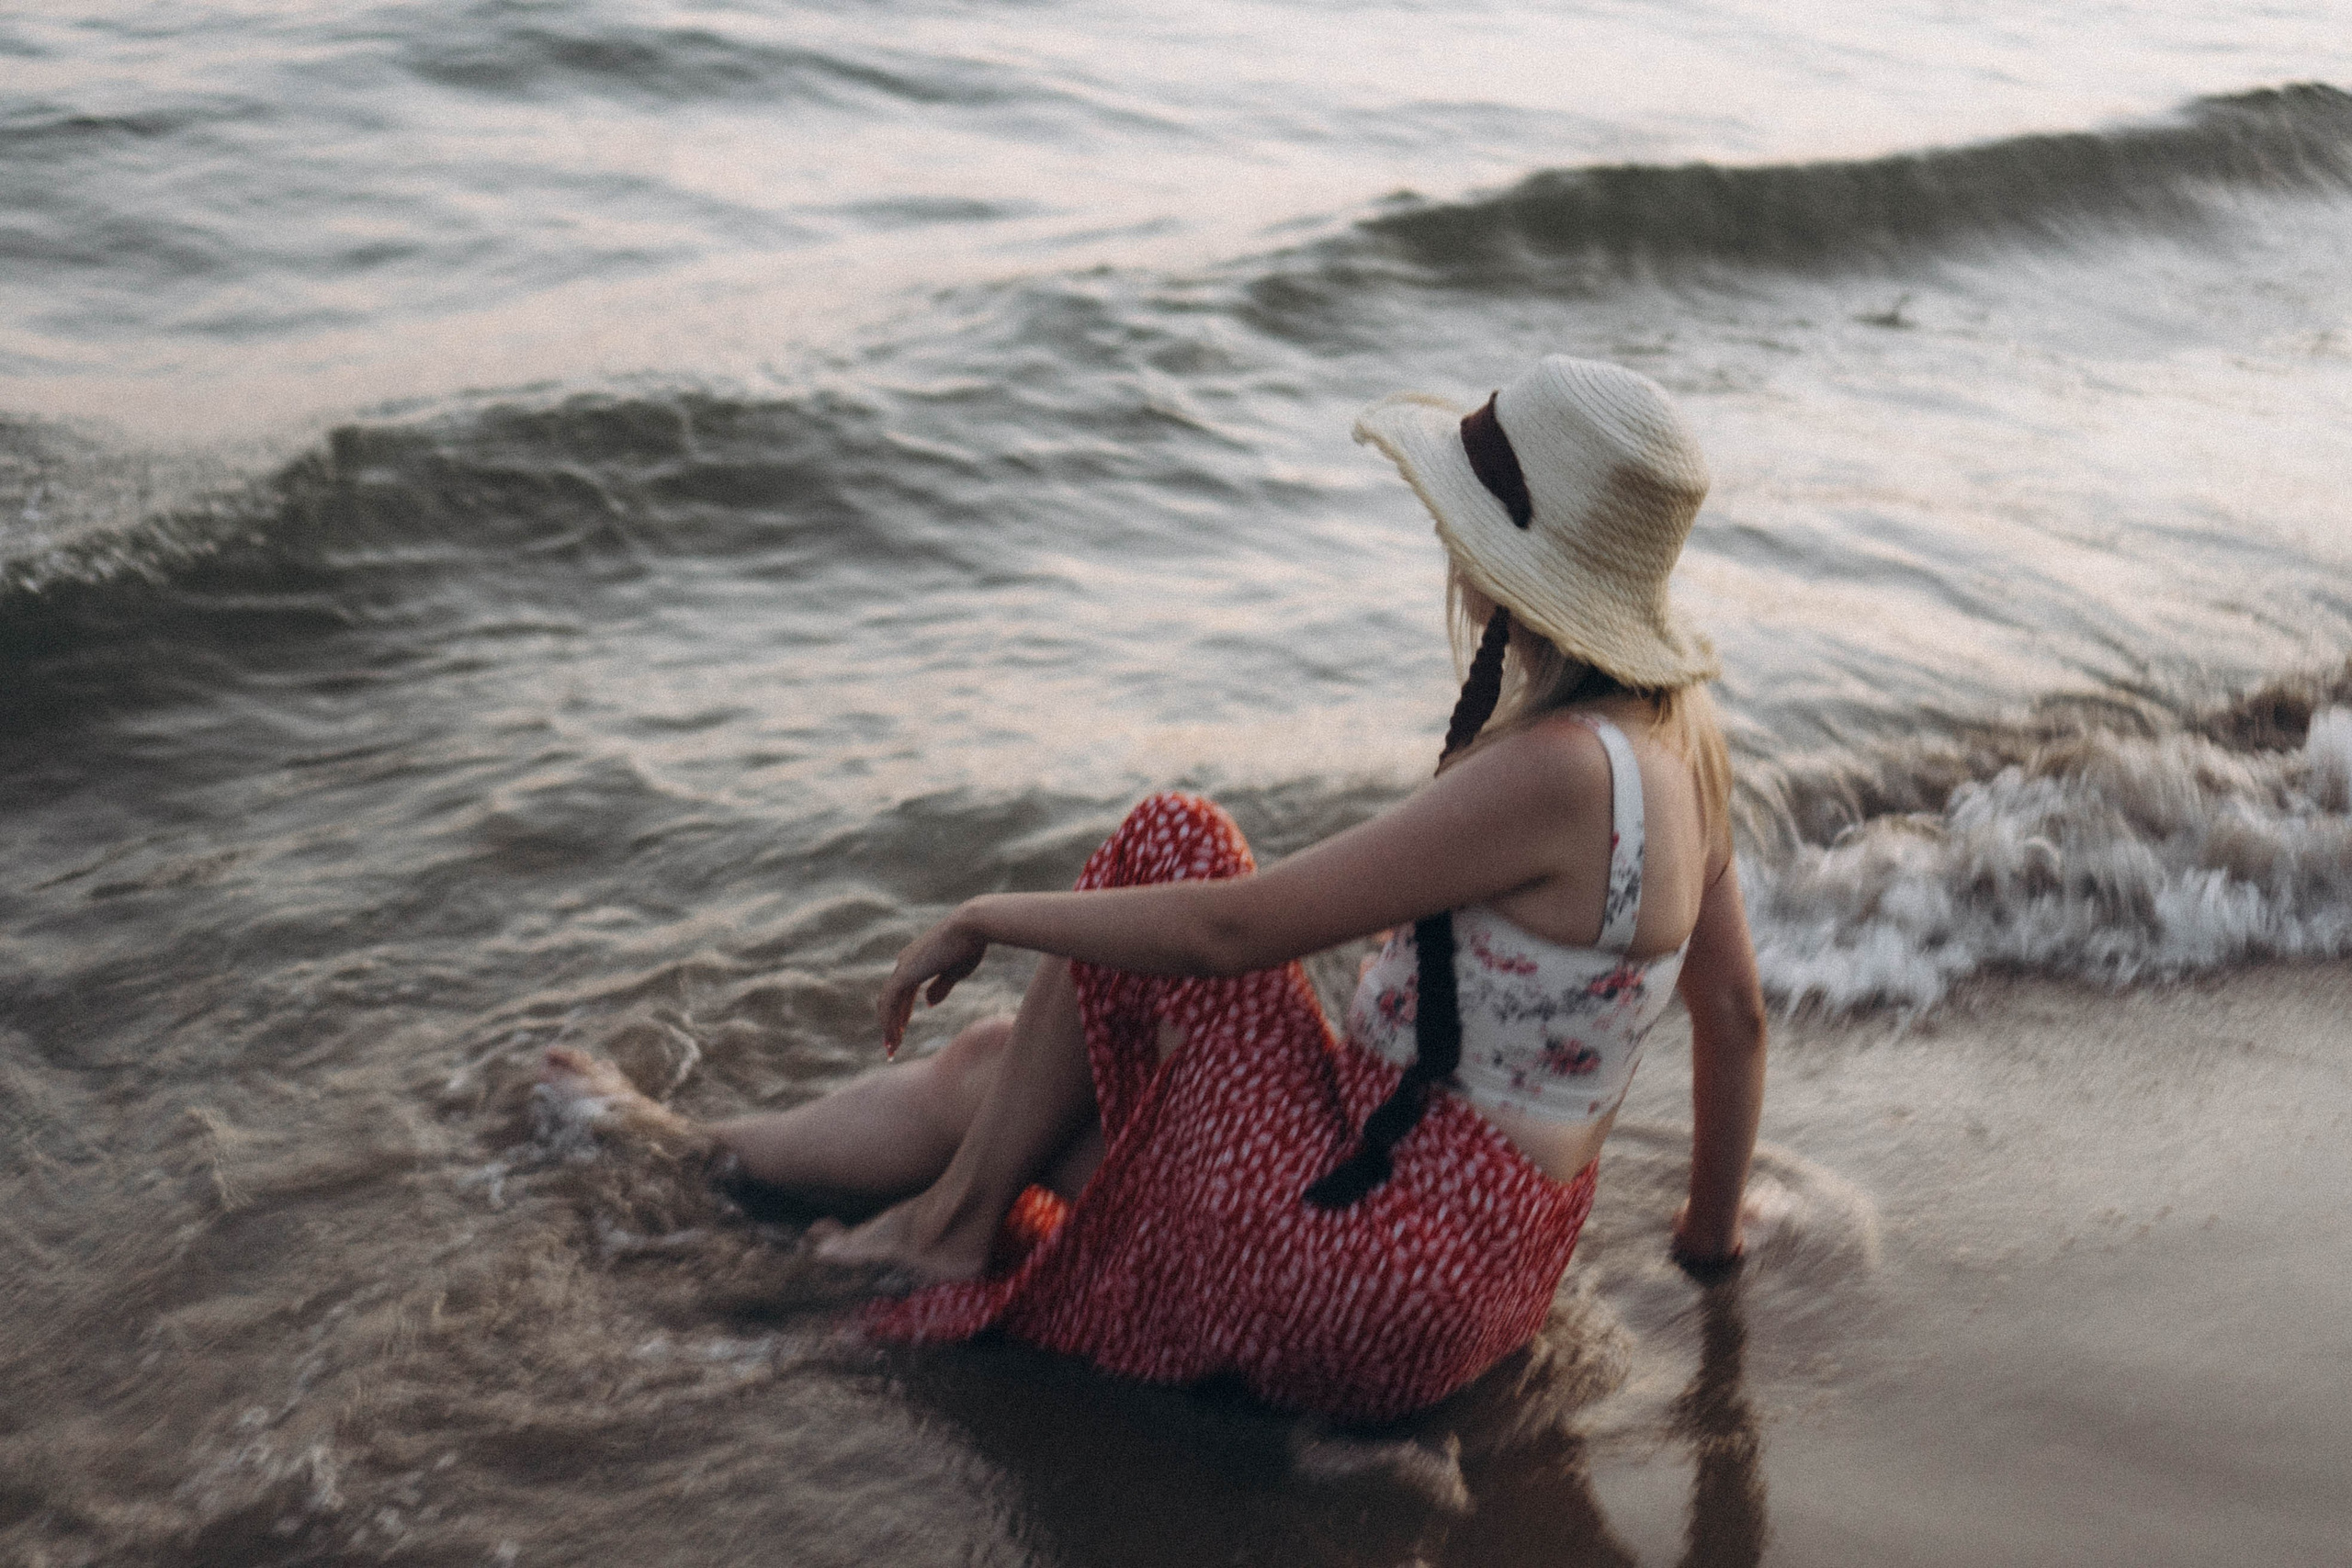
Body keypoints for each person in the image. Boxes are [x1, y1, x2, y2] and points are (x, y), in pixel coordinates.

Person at [540, 355, 1769, 1426]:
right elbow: (1733, 1020)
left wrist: (985, 914)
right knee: (994, 1074)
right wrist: (1710, 1252)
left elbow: (1227, 928)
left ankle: (905, 1219)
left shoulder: (1553, 774)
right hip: (1486, 1285)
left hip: (1365, 1280)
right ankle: (712, 1157)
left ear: (1515, 556)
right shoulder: (1687, 750)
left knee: (1172, 839)